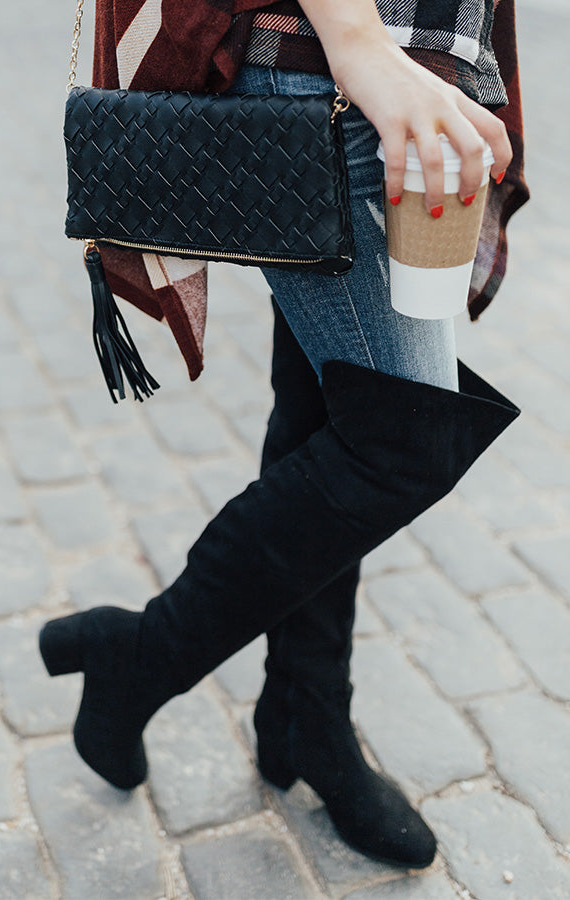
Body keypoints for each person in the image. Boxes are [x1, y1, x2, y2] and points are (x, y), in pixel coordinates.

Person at [40, 0, 526, 869]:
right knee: (398, 442)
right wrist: (358, 42)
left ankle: (304, 716)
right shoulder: (351, 59)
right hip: (329, 77)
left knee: (330, 413)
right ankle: (141, 656)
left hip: (403, 85)